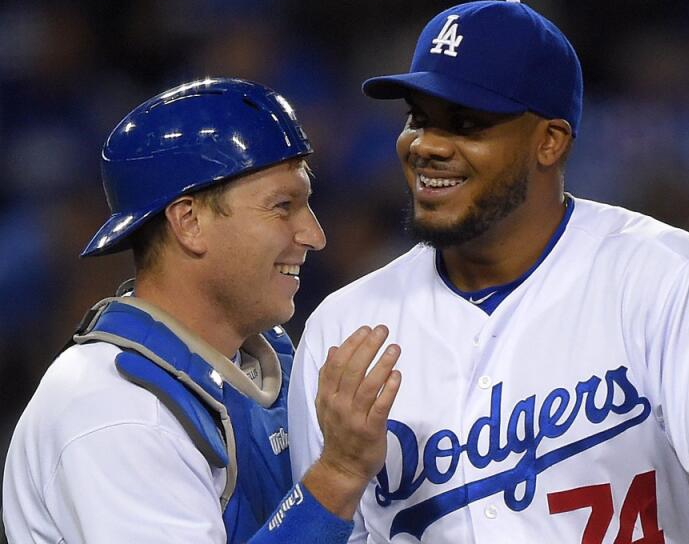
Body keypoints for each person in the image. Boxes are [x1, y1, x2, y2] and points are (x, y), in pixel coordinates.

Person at [288, 0, 689, 544]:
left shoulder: (660, 277)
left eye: (466, 123)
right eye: (418, 119)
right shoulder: (343, 326)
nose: (428, 146)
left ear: (550, 141)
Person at [2, 78, 402, 543]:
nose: (314, 235)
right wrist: (338, 475)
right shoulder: (117, 408)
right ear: (189, 222)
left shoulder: (263, 360)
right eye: (282, 206)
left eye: (306, 204)